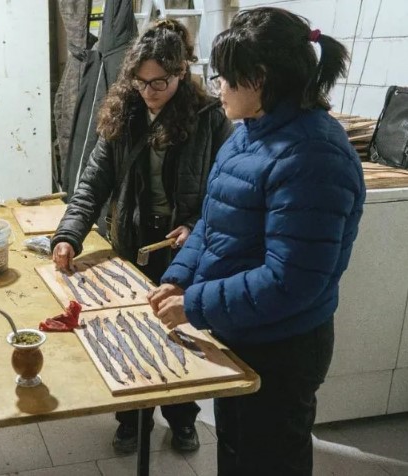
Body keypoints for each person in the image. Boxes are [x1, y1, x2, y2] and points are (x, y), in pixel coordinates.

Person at [149, 8, 365, 476]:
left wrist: (195, 304)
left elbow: (291, 281)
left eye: (227, 77)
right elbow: (213, 222)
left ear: (260, 78)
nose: (219, 88)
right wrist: (180, 277)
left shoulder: (313, 155)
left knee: (269, 459)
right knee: (236, 447)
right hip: (241, 327)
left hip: (282, 346)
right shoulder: (247, 133)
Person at [51, 19, 233, 454]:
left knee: (178, 333)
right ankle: (132, 419)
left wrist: (195, 225)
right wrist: (69, 235)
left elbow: (223, 190)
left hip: (181, 246)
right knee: (126, 331)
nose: (149, 91)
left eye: (160, 82)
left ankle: (182, 417)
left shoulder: (208, 118)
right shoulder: (124, 112)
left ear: (181, 73)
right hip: (131, 240)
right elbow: (93, 183)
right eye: (141, 81)